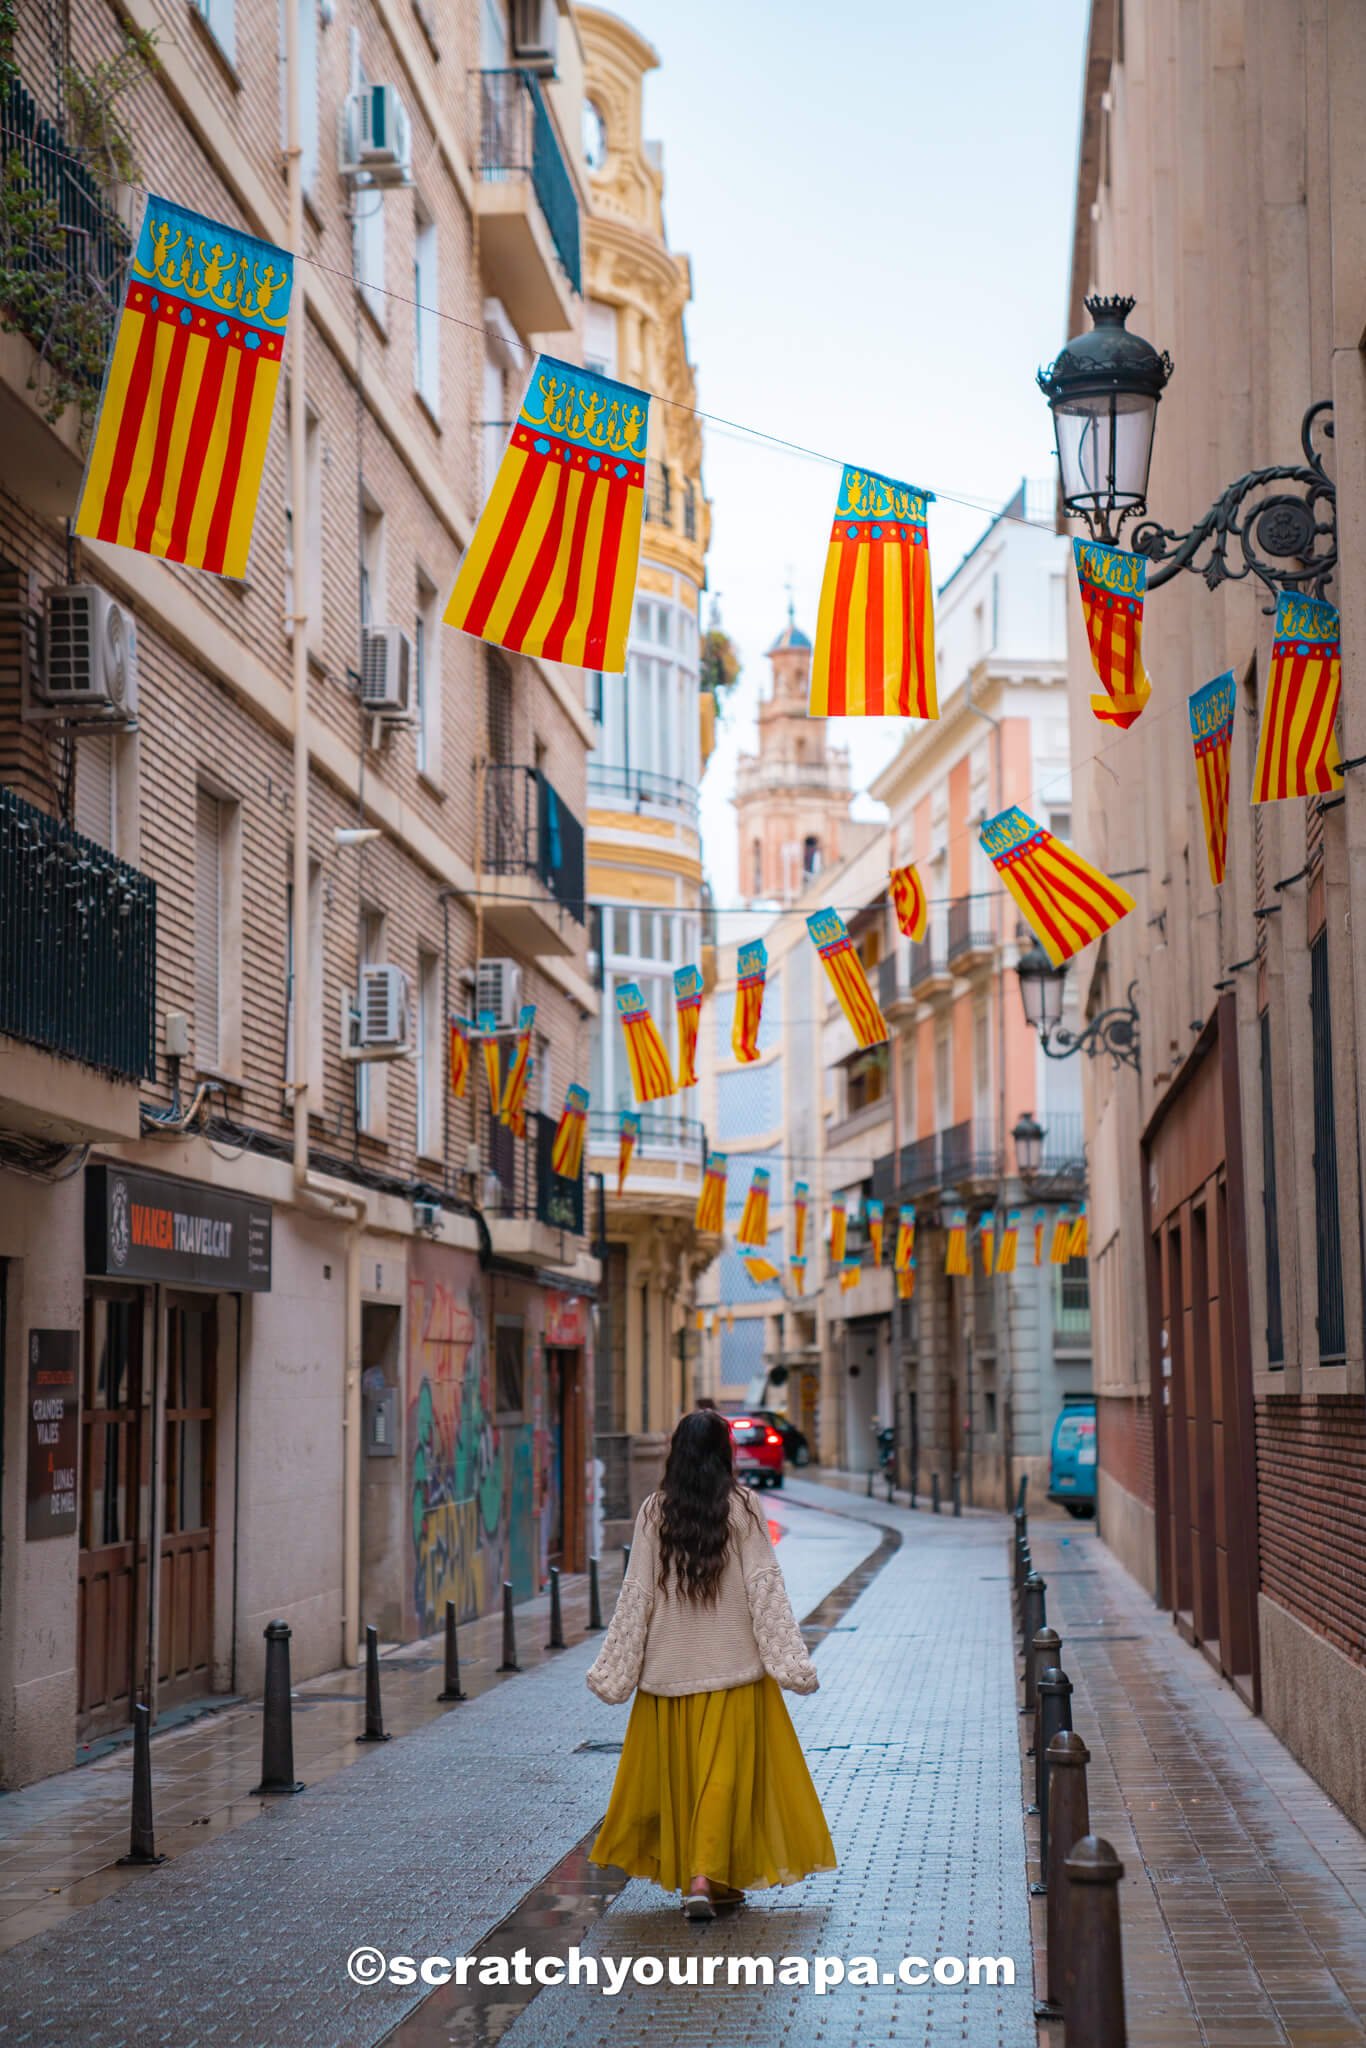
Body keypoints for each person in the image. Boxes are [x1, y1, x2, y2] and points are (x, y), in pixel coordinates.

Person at [585, 1408, 835, 1920]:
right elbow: (765, 1587)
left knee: (687, 1780)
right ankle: (705, 1877)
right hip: (734, 1669)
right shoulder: (742, 1508)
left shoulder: (656, 1512)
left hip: (669, 1675)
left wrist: (617, 1668)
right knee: (723, 1782)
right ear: (726, 1454)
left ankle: (708, 1882)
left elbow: (636, 1595)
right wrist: (789, 1661)